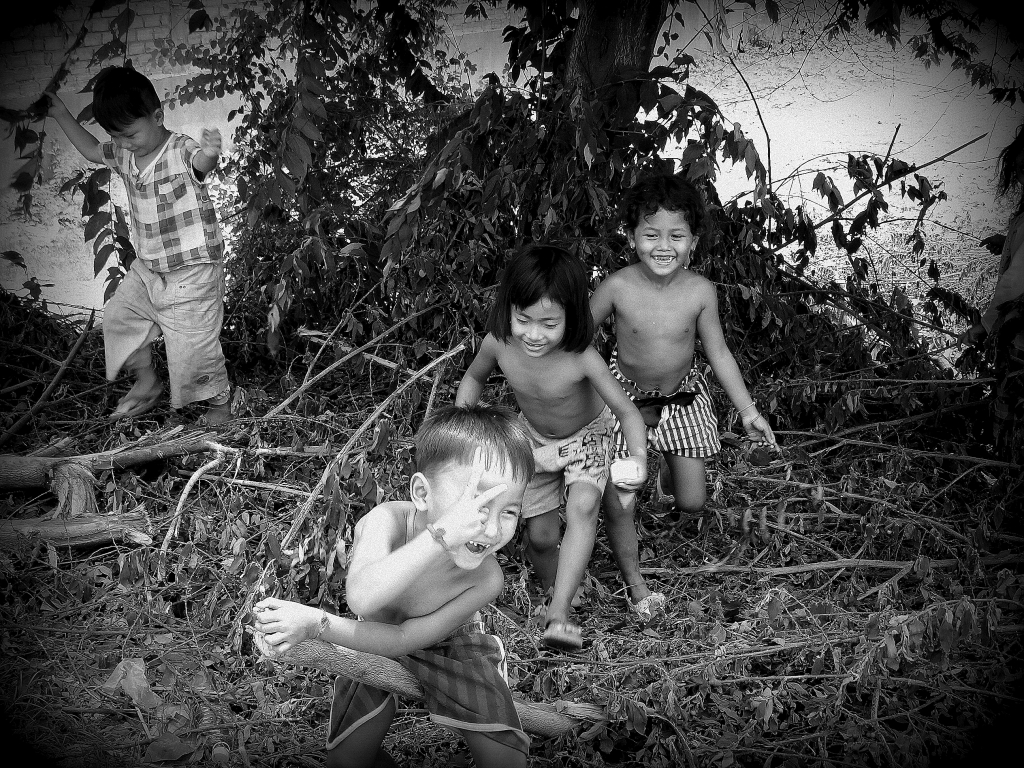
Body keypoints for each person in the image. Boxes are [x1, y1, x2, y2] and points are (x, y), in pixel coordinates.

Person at [254, 404, 535, 768]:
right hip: (368, 633)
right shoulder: (386, 521)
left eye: (509, 511)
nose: (493, 529)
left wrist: (316, 624)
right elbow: (363, 597)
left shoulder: (486, 578)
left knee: (506, 761)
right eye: (477, 504)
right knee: (347, 761)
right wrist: (440, 537)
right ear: (422, 493)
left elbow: (406, 639)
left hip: (453, 643)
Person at [590, 172, 776, 621]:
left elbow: (718, 352)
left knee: (693, 502)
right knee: (621, 499)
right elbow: (576, 337)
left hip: (684, 399)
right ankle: (636, 585)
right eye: (651, 234)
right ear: (632, 235)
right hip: (624, 402)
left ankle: (667, 477)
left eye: (677, 235)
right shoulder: (616, 286)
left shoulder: (700, 291)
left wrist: (748, 411)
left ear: (694, 240)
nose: (663, 246)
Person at [455, 244, 649, 651]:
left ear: (571, 318)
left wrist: (637, 458)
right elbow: (473, 380)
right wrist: (464, 425)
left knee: (583, 507)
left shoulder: (582, 358)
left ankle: (559, 613)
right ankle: (556, 585)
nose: (534, 334)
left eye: (549, 323)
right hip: (533, 440)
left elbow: (628, 414)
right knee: (541, 537)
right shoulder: (499, 343)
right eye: (523, 319)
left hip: (587, 437)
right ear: (508, 309)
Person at [45, 66, 231, 424]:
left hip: (192, 268)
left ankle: (219, 405)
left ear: (157, 117)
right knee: (118, 317)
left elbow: (200, 165)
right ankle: (147, 381)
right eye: (117, 136)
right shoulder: (124, 152)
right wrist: (60, 113)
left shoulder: (179, 149)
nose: (124, 143)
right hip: (149, 268)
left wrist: (210, 151)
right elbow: (89, 149)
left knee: (193, 344)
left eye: (130, 134)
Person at [963, 126, 1024, 458]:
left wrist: (985, 325)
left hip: (1020, 339)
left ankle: (1005, 470)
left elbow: (1015, 283)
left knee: (1010, 399)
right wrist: (1007, 244)